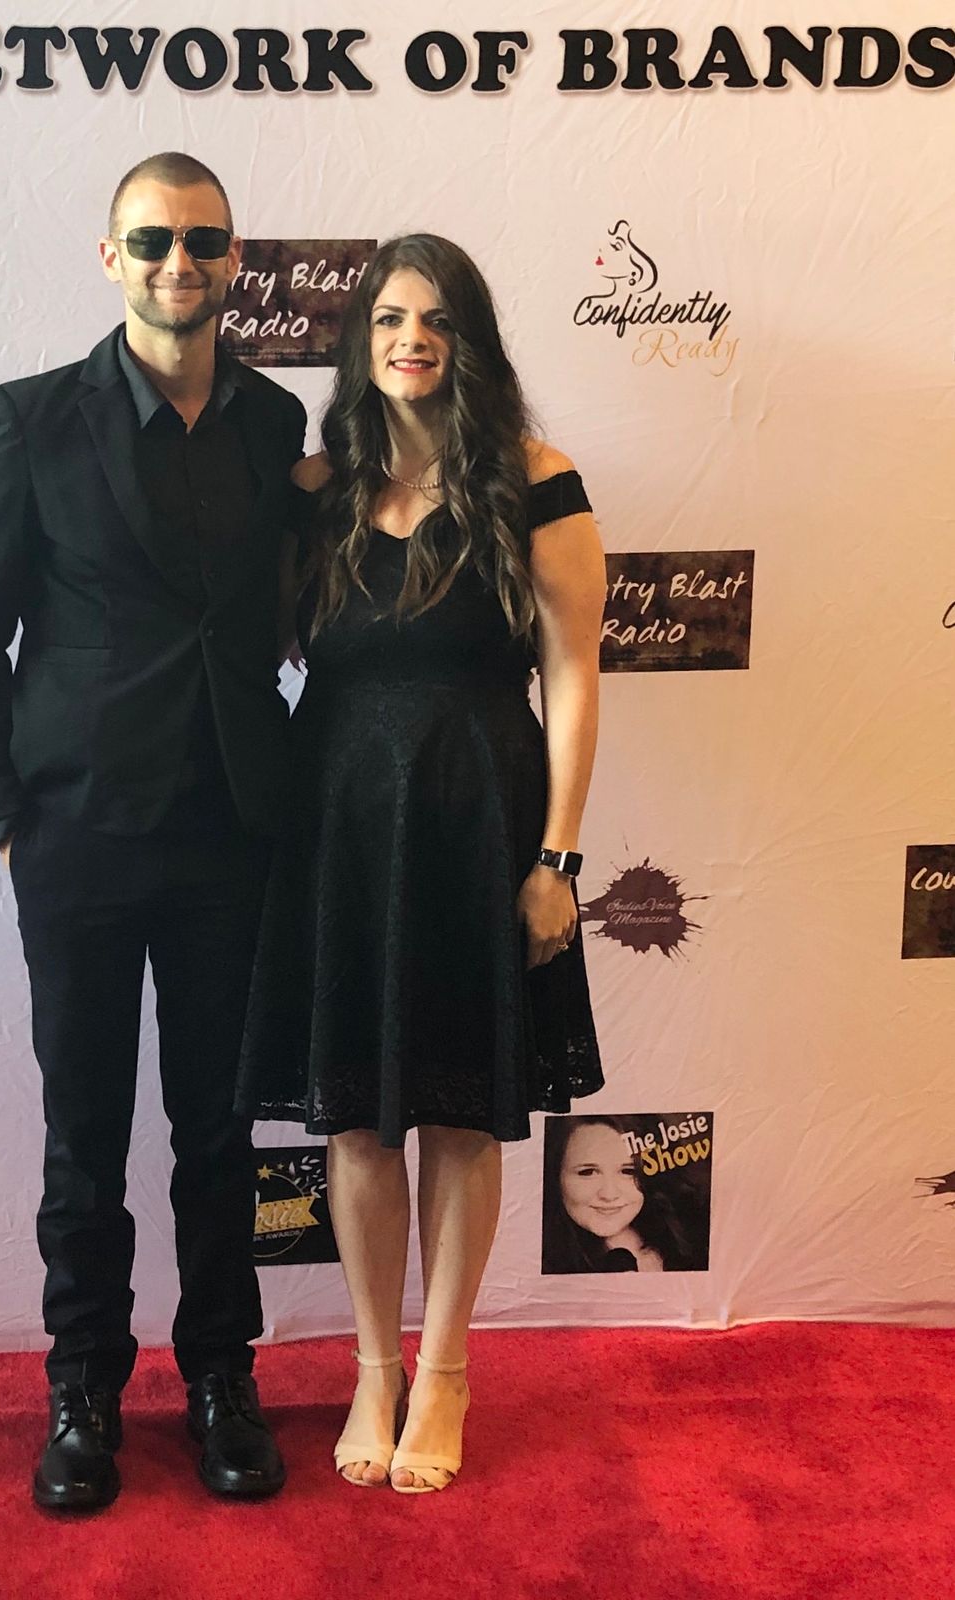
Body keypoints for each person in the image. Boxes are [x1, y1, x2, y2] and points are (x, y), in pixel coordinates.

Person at [0, 153, 306, 1512]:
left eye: (203, 240)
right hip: (78, 834)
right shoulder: (29, 419)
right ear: (111, 257)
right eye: (152, 240)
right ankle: (84, 1386)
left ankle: (220, 1379)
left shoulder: (275, 420)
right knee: (84, 1134)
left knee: (220, 1133)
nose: (178, 262)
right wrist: (0, 817)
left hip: (231, 833)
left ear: (234, 258)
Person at [237, 234, 607, 1494]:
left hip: (478, 828)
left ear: (470, 340)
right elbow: (240, 642)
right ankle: (372, 1368)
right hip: (336, 832)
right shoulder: (315, 488)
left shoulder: (534, 480)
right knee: (351, 1118)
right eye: (391, 317)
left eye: (438, 319)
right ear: (359, 339)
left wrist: (557, 855)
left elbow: (572, 673)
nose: (412, 339)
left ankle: (443, 1370)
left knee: (456, 1115)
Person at [542, 1116, 708, 1273]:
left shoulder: (698, 1242)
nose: (609, 1194)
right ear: (555, 1174)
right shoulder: (541, 1263)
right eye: (588, 1172)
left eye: (628, 1171)